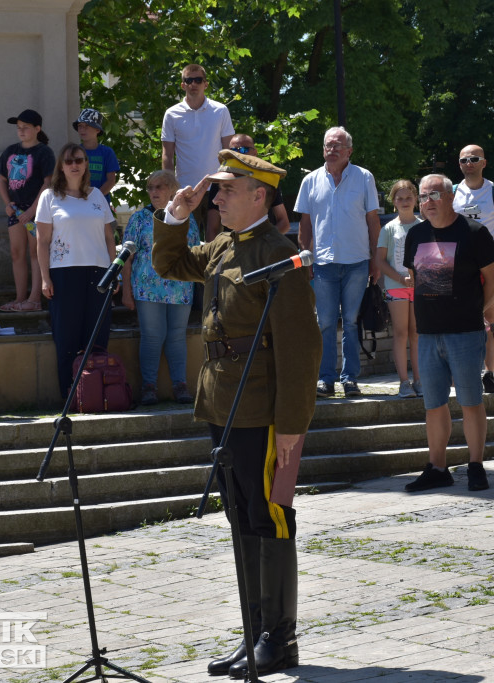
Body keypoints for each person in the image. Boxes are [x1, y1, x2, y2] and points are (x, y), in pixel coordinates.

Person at [152, 149, 322, 678]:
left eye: (228, 188)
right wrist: (176, 216)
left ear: (259, 196)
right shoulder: (223, 244)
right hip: (222, 403)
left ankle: (279, 637)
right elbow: (169, 264)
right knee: (239, 517)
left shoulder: (281, 255)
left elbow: (301, 350)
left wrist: (292, 426)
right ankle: (254, 635)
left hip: (262, 409)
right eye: (218, 188)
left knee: (269, 516)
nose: (217, 195)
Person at [402, 174, 494, 493]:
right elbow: (413, 276)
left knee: (471, 401)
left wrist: (479, 310)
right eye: (423, 196)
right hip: (428, 334)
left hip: (465, 332)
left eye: (434, 195)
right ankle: (437, 467)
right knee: (434, 404)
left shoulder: (474, 232)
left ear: (449, 197)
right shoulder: (415, 234)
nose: (427, 201)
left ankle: (475, 466)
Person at [294, 126, 381, 398]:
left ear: (349, 151)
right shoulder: (310, 181)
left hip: (357, 261)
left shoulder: (364, 178)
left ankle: (350, 378)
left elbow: (373, 222)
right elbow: (305, 225)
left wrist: (375, 260)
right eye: (328, 145)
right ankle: (326, 379)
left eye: (337, 145)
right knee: (326, 323)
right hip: (322, 264)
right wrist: (305, 259)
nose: (331, 149)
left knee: (352, 322)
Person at [35, 143, 116, 400]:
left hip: (100, 274)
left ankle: (96, 395)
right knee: (67, 339)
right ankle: (71, 397)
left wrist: (115, 274)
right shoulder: (49, 197)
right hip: (64, 273)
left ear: (85, 164)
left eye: (79, 160)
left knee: (97, 336)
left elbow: (109, 238)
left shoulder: (97, 196)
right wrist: (45, 278)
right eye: (69, 161)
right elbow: (42, 241)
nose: (74, 165)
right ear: (61, 165)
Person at [121, 170, 198, 405]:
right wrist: (126, 290)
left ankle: (180, 385)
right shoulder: (139, 218)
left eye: (160, 186)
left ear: (172, 190)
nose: (154, 192)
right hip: (147, 288)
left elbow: (194, 252)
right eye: (151, 187)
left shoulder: (187, 217)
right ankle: (149, 387)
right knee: (153, 337)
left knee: (176, 337)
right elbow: (126, 257)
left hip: (180, 286)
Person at [452, 144, 494, 394]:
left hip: (491, 264)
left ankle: (489, 373)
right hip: (460, 266)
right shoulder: (452, 192)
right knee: (460, 319)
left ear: (484, 162)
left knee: (490, 318)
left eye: (474, 158)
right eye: (464, 159)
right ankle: (463, 372)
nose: (469, 163)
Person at [161, 64, 235, 233]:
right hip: (185, 189)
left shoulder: (220, 110)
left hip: (217, 187)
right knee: (185, 237)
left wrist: (229, 185)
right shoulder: (171, 114)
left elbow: (229, 152)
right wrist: (169, 188)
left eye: (198, 80)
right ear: (183, 85)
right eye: (189, 80)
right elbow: (167, 155)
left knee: (216, 239)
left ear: (205, 84)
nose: (193, 84)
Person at [0, 109, 55, 312]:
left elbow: (48, 183)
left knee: (35, 252)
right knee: (16, 252)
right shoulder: (11, 151)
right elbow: (2, 180)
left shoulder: (44, 152)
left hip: (37, 211)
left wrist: (33, 209)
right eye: (19, 128)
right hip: (16, 211)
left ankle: (34, 299)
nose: (21, 131)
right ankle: (20, 298)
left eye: (26, 127)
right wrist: (7, 203)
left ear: (37, 129)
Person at [376, 179, 421, 398]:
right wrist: (401, 279)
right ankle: (404, 381)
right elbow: (380, 261)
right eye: (400, 198)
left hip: (421, 287)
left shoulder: (424, 225)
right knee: (401, 333)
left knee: (417, 333)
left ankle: (420, 380)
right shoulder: (388, 228)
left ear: (416, 199)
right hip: (396, 286)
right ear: (393, 201)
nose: (404, 201)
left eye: (408, 197)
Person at [205, 134, 291, 240]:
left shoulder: (266, 179)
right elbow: (212, 229)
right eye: (233, 150)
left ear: (255, 152)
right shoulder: (220, 180)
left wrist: (261, 241)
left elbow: (284, 223)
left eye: (243, 149)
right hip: (232, 246)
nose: (238, 153)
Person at [73, 108, 120, 207]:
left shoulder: (107, 152)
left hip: (100, 203)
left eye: (87, 126)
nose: (82, 129)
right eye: (80, 126)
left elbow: (111, 180)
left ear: (97, 129)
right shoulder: (74, 152)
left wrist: (94, 197)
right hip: (77, 202)